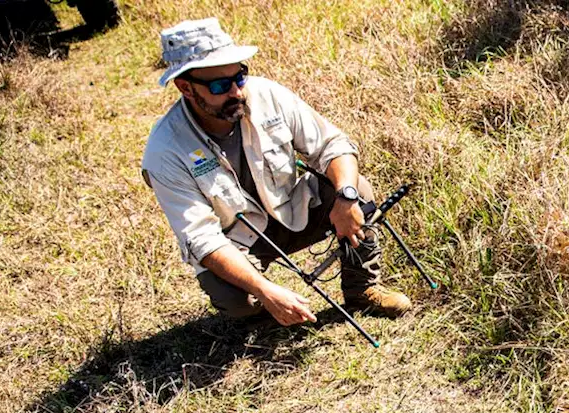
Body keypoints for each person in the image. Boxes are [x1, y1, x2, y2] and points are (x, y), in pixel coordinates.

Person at [140, 18, 412, 326]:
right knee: (234, 298)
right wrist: (264, 290)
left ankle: (363, 290)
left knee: (357, 190)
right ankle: (271, 310)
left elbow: (332, 145)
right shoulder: (165, 151)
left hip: (294, 209)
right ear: (185, 88)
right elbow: (201, 238)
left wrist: (346, 197)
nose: (236, 92)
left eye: (239, 77)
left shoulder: (266, 94)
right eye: (219, 85)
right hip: (242, 242)